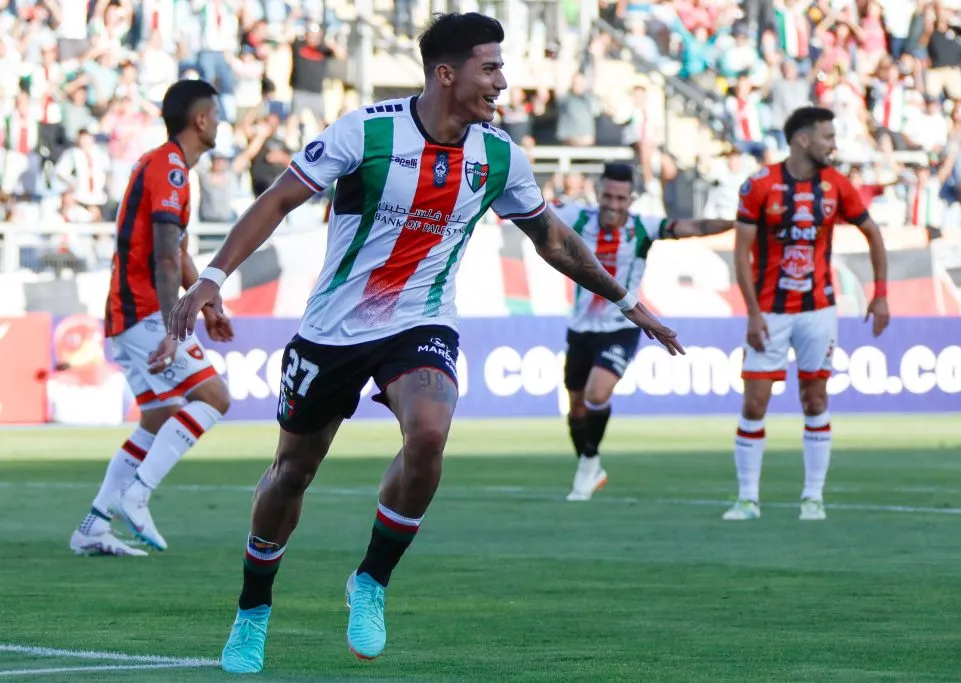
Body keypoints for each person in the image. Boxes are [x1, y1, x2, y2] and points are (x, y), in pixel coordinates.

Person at [166, 12, 684, 675]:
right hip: (332, 330)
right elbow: (277, 202)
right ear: (448, 73)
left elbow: (552, 239)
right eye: (489, 67)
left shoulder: (499, 156)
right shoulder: (367, 130)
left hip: (421, 321)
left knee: (430, 433)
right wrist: (211, 277)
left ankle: (371, 580)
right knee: (292, 471)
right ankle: (253, 608)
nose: (502, 81)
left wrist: (626, 300)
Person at [69, 79, 234, 557]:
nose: (220, 122)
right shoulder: (171, 170)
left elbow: (177, 251)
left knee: (160, 415)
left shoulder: (169, 166)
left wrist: (208, 302)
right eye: (217, 114)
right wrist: (171, 327)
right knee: (214, 397)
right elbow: (164, 258)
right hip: (141, 310)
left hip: (126, 311)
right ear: (200, 120)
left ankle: (93, 525)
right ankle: (136, 494)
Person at [723, 106, 890, 522]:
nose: (834, 144)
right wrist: (753, 312)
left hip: (818, 310)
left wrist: (881, 294)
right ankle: (747, 498)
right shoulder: (760, 185)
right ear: (802, 139)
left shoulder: (836, 185)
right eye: (827, 137)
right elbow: (740, 254)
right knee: (755, 404)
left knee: (815, 398)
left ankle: (813, 497)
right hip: (771, 313)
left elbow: (873, 233)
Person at [554, 162, 733, 501]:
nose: (613, 204)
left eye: (621, 198)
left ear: (631, 198)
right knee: (576, 406)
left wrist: (740, 222)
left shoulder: (644, 228)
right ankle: (590, 463)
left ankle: (588, 467)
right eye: (608, 195)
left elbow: (696, 226)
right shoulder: (576, 217)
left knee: (596, 393)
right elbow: (531, 209)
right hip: (580, 328)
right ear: (597, 192)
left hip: (623, 325)